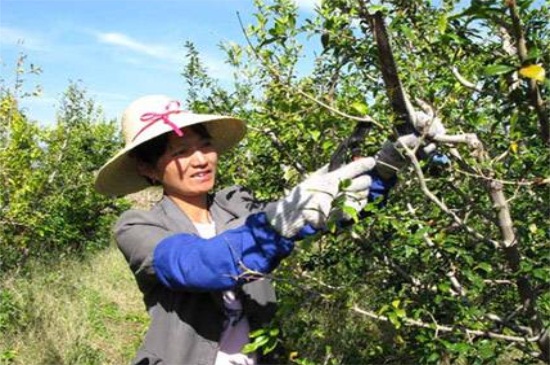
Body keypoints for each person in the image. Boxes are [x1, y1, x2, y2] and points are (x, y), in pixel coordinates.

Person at [94, 94, 441, 365]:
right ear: (148, 169)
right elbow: (197, 266)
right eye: (181, 152)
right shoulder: (138, 227)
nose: (200, 160)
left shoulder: (237, 205)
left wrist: (388, 165)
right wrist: (280, 221)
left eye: (204, 146)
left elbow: (328, 215)